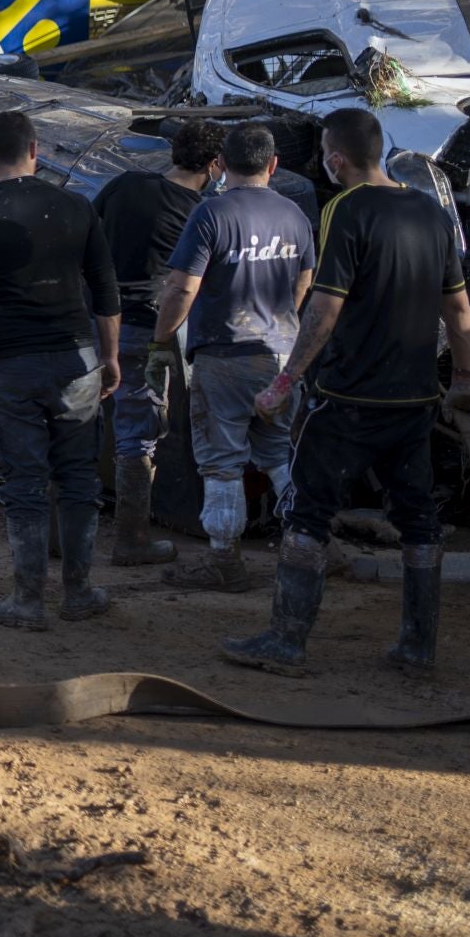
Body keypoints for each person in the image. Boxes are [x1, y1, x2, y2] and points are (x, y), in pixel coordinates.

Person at [223, 108, 470, 676]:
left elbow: (325, 306)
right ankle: (418, 648)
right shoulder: (432, 213)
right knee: (418, 519)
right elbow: (459, 310)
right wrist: (464, 381)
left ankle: (286, 642)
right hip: (414, 401)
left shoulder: (345, 209)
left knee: (308, 514)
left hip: (348, 400)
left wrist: (285, 380)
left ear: (335, 159)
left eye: (323, 155)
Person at [0, 109, 123, 630]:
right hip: (77, 360)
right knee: (78, 477)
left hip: (14, 364)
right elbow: (106, 289)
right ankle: (79, 592)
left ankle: (27, 600)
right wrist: (110, 356)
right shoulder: (76, 206)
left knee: (24, 481)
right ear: (36, 150)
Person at [153, 123, 315, 592]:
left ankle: (224, 562)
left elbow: (183, 287)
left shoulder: (211, 215)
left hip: (224, 356)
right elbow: (304, 283)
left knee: (222, 461)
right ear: (273, 165)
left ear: (220, 164)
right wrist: (282, 325)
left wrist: (162, 341)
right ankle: (309, 546)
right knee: (278, 453)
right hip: (281, 357)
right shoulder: (295, 216)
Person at [92, 120, 224, 566]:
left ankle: (58, 539)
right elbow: (190, 287)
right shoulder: (202, 214)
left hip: (91, 322)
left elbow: (89, 242)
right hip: (144, 330)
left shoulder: (124, 184)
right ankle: (130, 541)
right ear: (214, 165)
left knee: (69, 426)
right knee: (137, 436)